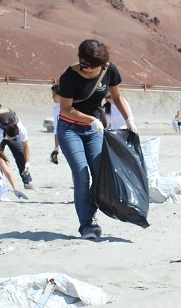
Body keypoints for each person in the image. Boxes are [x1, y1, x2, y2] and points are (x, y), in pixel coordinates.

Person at [57, 38, 136, 240]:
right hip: (70, 129)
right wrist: (91, 119)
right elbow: (65, 110)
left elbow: (116, 97)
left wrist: (129, 119)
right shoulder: (69, 76)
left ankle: (91, 212)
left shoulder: (109, 70)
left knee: (100, 173)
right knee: (82, 175)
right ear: (81, 60)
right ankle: (87, 224)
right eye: (88, 66)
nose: (92, 71)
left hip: (95, 131)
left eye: (96, 67)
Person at [0, 104, 33, 189]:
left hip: (12, 134)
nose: (9, 139)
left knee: (20, 155)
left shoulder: (21, 129)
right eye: (9, 137)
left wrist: (28, 162)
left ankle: (27, 181)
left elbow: (25, 146)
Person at [50, 84, 62, 165]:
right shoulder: (56, 108)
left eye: (54, 95)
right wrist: (56, 148)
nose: (52, 97)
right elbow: (56, 128)